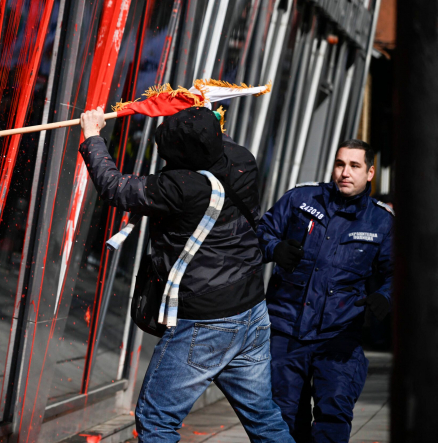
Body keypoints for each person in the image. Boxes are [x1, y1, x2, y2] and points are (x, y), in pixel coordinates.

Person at [79, 106, 294, 443]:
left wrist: (92, 135)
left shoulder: (182, 187)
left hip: (206, 322)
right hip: (251, 311)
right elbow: (211, 138)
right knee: (265, 419)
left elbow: (116, 188)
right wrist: (195, 114)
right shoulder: (242, 159)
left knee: (156, 421)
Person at [257, 139, 393, 443]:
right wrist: (274, 248)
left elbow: (396, 274)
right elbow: (259, 234)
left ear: (370, 173)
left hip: (339, 335)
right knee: (284, 418)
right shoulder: (300, 199)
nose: (345, 172)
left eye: (355, 166)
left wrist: (385, 296)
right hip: (286, 330)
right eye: (340, 164)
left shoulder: (381, 222)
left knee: (333, 416)